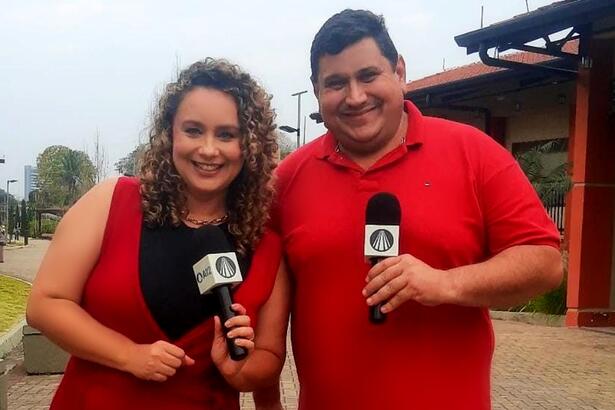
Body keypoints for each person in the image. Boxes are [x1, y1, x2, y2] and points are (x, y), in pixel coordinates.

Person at [254, 9, 563, 410]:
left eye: (368, 75)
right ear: (316, 90)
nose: (355, 96)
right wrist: (267, 403)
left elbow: (545, 263)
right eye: (335, 83)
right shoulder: (287, 180)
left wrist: (445, 284)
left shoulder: (473, 153)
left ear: (399, 71)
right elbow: (265, 307)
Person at [27, 58, 289, 410]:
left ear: (250, 145)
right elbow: (45, 304)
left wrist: (239, 369)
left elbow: (269, 360)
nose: (208, 149)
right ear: (170, 133)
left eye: (227, 134)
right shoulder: (111, 202)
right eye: (193, 130)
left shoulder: (268, 245)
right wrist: (127, 355)